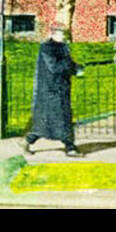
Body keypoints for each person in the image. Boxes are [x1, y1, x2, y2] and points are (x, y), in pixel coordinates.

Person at [25, 24, 84, 156]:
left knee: (63, 118)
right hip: (49, 90)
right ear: (52, 34)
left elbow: (67, 63)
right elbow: (54, 67)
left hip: (61, 89)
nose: (64, 36)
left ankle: (70, 146)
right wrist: (71, 67)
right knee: (47, 121)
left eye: (64, 34)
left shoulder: (63, 47)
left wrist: (77, 68)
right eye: (61, 34)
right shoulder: (47, 48)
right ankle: (28, 141)